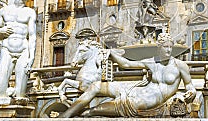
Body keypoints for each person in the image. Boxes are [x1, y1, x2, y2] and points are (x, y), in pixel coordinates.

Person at [59, 33, 196, 118]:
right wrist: (111, 53)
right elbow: (127, 64)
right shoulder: (152, 62)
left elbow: (190, 86)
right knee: (96, 86)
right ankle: (65, 115)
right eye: (165, 47)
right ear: (159, 48)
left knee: (94, 111)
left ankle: (82, 113)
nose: (168, 50)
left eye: (170, 47)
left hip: (145, 101)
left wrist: (191, 92)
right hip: (135, 89)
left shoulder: (180, 65)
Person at [0, 0, 37, 99]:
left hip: (23, 49)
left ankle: (18, 113)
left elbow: (32, 36)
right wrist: (1, 31)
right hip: (7, 49)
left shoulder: (30, 12)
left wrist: (32, 57)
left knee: (20, 95)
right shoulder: (4, 10)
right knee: (0, 90)